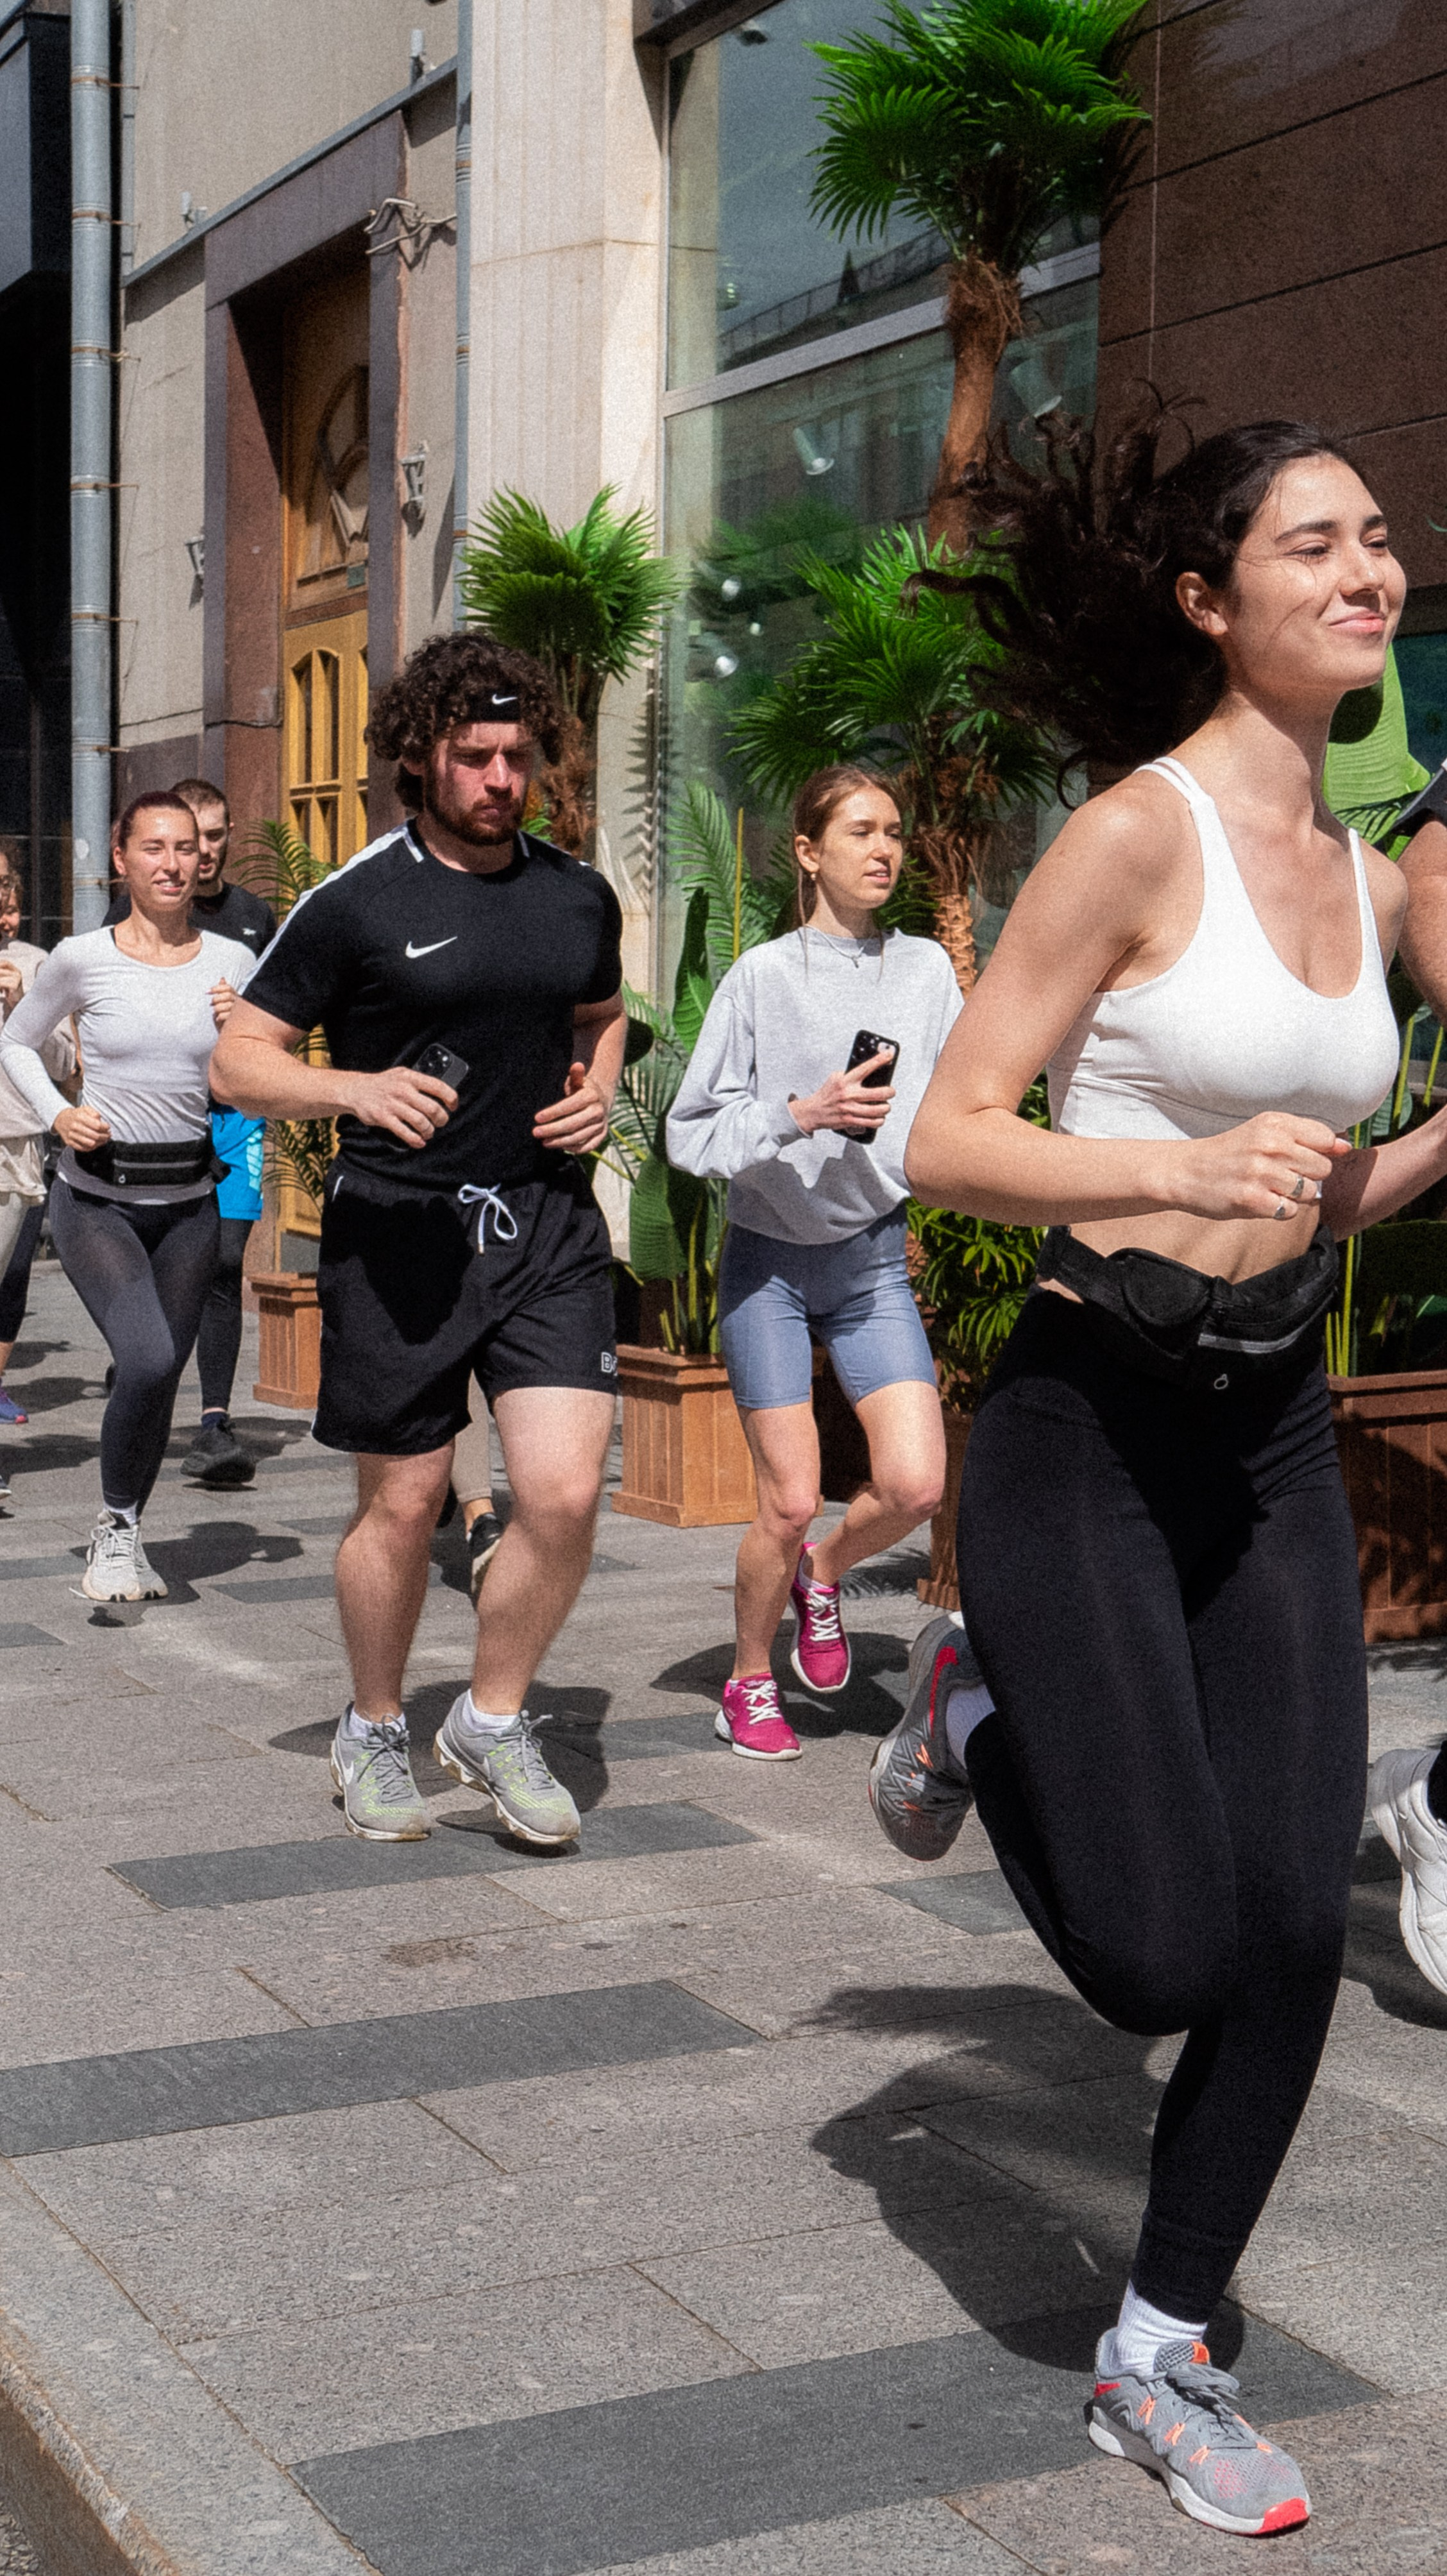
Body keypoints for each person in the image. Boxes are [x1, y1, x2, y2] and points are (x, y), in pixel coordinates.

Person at [868, 415, 1447, 2537]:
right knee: (1150, 1959)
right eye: (1312, 542)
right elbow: (939, 1134)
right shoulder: (1132, 835)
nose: (1363, 567)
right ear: (1209, 601)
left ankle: (1160, 2345)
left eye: (1375, 536)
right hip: (1084, 1425)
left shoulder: (1368, 873)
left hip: (1269, 1430)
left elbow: (1322, 1189)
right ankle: (977, 1694)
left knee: (1293, 1924)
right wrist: (1161, 1165)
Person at [210, 634, 625, 1847]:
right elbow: (241, 1059)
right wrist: (355, 1092)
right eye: (476, 756)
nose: (504, 778)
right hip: (398, 1235)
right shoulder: (356, 902)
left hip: (545, 1221)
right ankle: (377, 1725)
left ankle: (492, 1720)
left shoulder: (574, 893)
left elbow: (603, 1014)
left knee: (559, 1497)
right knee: (404, 1505)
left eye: (519, 755)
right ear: (421, 759)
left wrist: (597, 1086)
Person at [666, 768, 955, 1758]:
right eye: (862, 831)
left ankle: (821, 1574)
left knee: (916, 1486)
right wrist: (804, 1113)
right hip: (770, 1265)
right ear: (807, 851)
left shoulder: (925, 973)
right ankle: (749, 1680)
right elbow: (688, 1134)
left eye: (896, 833)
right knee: (786, 1499)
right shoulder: (763, 978)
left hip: (872, 1260)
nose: (885, 850)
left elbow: (960, 1101)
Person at [0, 793, 252, 1599]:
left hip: (190, 1202)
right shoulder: (82, 956)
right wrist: (59, 1113)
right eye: (154, 847)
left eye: (185, 848)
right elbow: (16, 1041)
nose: (174, 862)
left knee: (162, 1374)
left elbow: (253, 1078)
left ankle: (126, 1532)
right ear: (123, 858)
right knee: (143, 1356)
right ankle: (114, 1525)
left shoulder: (234, 963)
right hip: (99, 1199)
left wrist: (243, 1028)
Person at [106, 778, 276, 1487]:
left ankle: (213, 1423)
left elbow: (280, 1018)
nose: (196, 853)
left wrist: (246, 1017)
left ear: (228, 836)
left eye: (210, 836)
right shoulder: (130, 912)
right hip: (158, 1120)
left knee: (224, 1260)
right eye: (182, 839)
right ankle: (144, 1357)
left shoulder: (253, 919)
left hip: (234, 1117)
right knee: (160, 1263)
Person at [0, 849, 76, 1500]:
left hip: (14, 1148)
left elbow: (63, 1057)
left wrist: (24, 1005)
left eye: (2, 883)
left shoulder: (35, 964)